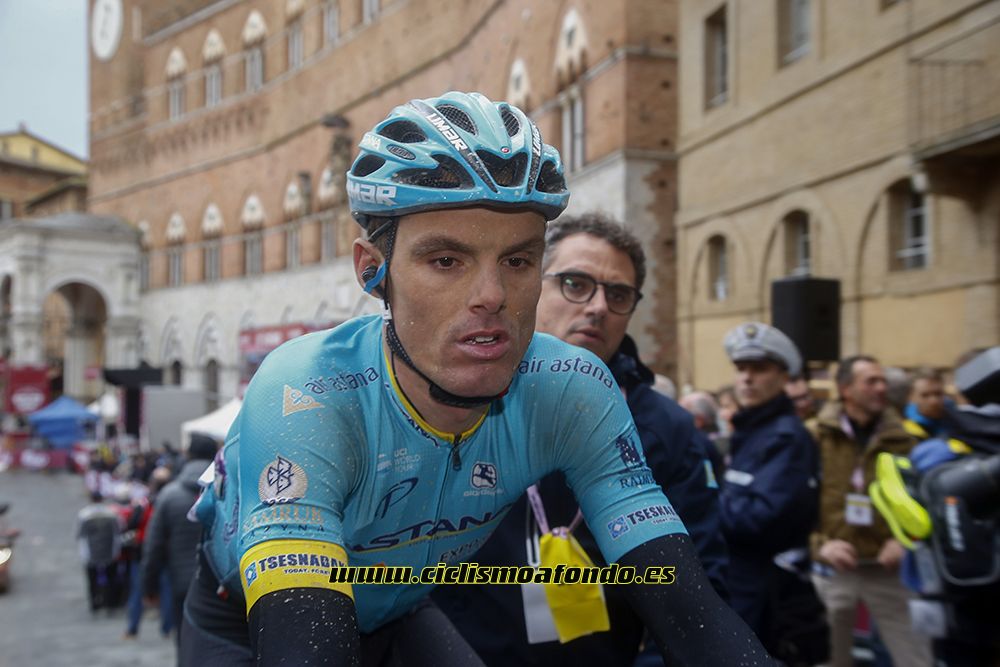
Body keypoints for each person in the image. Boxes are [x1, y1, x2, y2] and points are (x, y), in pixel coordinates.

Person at [180, 91, 774, 667]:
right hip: (245, 619)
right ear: (372, 270)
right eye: (446, 261)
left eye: (517, 262)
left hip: (400, 609)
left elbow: (687, 607)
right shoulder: (307, 393)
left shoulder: (572, 387)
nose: (491, 297)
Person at [433, 213, 729, 666]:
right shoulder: (452, 400)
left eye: (618, 294)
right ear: (530, 284)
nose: (597, 307)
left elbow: (703, 588)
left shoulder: (664, 429)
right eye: (575, 283)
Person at [808, 355, 930, 667]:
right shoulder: (814, 435)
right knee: (831, 659)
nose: (881, 388)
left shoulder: (907, 438)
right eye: (871, 381)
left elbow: (924, 500)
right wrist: (820, 544)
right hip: (834, 568)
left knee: (915, 657)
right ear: (846, 389)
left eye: (882, 381)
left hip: (888, 569)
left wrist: (906, 541)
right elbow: (797, 503)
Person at [719, 323, 824, 662]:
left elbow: (756, 518)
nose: (746, 378)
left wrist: (703, 500)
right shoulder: (752, 430)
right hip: (741, 585)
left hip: (769, 595)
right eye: (741, 369)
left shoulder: (786, 438)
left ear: (784, 378)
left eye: (759, 369)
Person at [142, 434, 219, 655]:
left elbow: (153, 547)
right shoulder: (229, 490)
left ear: (188, 456)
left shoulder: (169, 495)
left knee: (185, 647)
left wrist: (149, 587)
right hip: (221, 585)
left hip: (182, 584)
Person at [76, 491, 123, 613]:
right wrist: (116, 551)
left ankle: (95, 603)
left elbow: (82, 536)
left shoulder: (84, 515)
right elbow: (117, 534)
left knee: (92, 579)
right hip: (108, 550)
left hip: (92, 551)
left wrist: (84, 554)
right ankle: (110, 603)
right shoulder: (111, 514)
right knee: (111, 577)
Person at [903, 367, 948, 441]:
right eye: (925, 395)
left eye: (938, 394)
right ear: (910, 398)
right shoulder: (905, 432)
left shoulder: (956, 421)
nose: (934, 401)